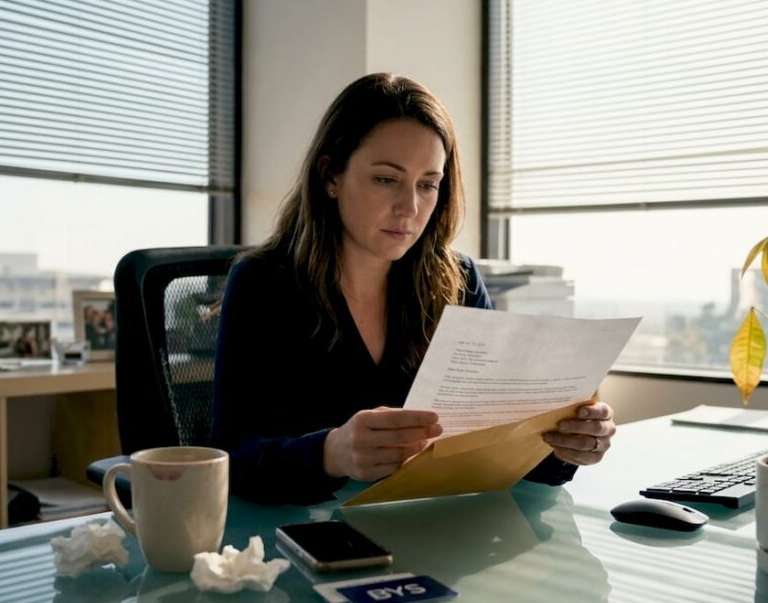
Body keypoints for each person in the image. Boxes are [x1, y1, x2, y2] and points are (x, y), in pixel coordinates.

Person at [212, 73, 617, 505]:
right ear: (330, 176)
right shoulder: (264, 283)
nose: (410, 208)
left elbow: (491, 442)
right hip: (306, 541)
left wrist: (563, 444)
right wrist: (330, 452)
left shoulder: (455, 280)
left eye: (427, 185)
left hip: (435, 529)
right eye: (386, 179)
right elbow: (228, 462)